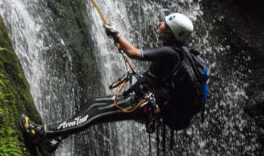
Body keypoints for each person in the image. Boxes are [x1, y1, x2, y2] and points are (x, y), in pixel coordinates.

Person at [20, 13, 196, 152]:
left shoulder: (171, 53)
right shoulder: (178, 53)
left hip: (145, 105)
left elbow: (133, 53)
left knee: (95, 113)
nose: (161, 23)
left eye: (164, 23)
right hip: (144, 100)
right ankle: (56, 138)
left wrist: (117, 35)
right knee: (93, 104)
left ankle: (41, 133)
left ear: (170, 31)